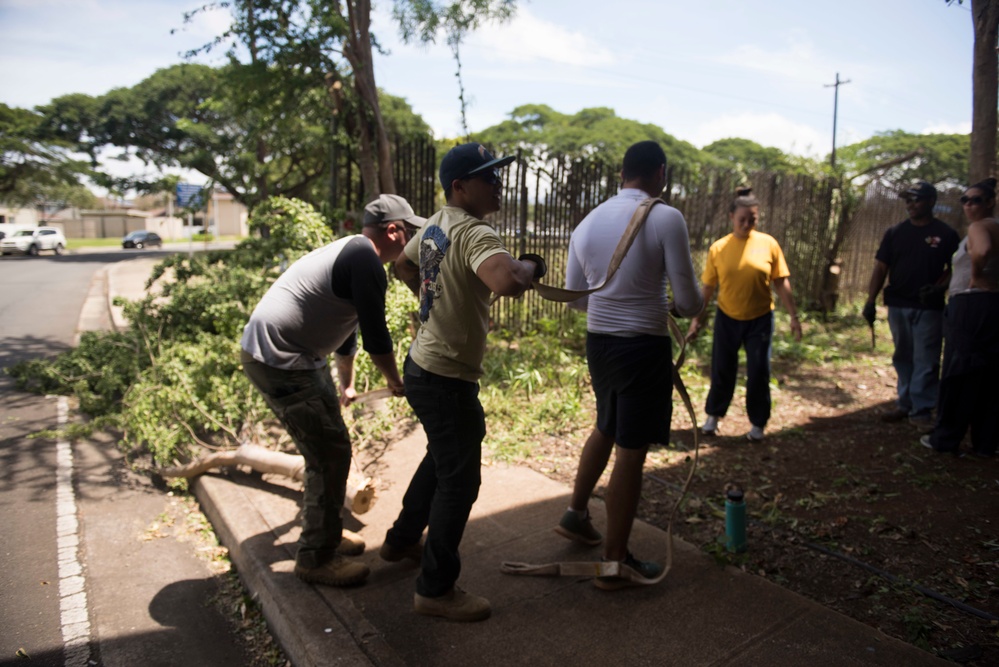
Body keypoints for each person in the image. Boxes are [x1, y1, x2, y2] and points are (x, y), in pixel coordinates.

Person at [384, 143, 542, 622]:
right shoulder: (475, 232)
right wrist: (532, 265)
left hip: (423, 367)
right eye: (488, 177)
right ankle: (435, 588)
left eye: (498, 175)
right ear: (460, 186)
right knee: (460, 480)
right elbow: (508, 282)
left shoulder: (435, 224)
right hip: (446, 377)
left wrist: (429, 303)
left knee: (442, 455)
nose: (498, 184)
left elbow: (403, 265)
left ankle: (400, 542)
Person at [240, 194, 425, 587]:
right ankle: (315, 559)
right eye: (409, 233)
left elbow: (347, 331)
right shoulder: (365, 260)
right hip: (280, 360)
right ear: (393, 231)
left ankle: (324, 531)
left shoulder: (353, 254)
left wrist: (347, 382)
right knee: (329, 453)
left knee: (328, 448)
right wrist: (395, 381)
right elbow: (377, 336)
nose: (411, 244)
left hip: (297, 356)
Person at [555, 140, 703, 590]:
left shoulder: (587, 222)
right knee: (632, 451)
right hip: (642, 347)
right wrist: (665, 304)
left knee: (607, 425)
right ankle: (614, 562)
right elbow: (689, 300)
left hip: (599, 344)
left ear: (623, 174)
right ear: (660, 172)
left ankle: (576, 514)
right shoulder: (665, 217)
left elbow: (577, 300)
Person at [686, 187, 802, 442]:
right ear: (731, 217)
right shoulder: (719, 248)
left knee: (759, 371)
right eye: (742, 219)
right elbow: (707, 288)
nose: (747, 224)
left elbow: (781, 282)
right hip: (727, 318)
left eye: (753, 219)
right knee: (722, 369)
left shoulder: (768, 244)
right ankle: (713, 417)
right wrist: (697, 320)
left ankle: (758, 423)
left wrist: (794, 317)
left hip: (760, 319)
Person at [862, 181, 960, 429]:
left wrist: (940, 287)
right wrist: (870, 300)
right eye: (908, 200)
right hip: (898, 304)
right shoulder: (895, 233)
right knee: (903, 355)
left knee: (926, 358)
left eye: (916, 199)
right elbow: (881, 267)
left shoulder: (946, 234)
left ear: (930, 201)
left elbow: (956, 267)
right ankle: (904, 403)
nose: (910, 204)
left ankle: (922, 408)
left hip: (929, 306)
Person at [921, 178, 999, 457]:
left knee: (958, 372)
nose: (968, 205)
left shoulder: (979, 227)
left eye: (975, 199)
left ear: (990, 202)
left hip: (970, 306)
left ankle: (945, 438)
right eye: (964, 200)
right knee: (988, 374)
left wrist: (976, 278)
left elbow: (982, 250)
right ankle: (986, 442)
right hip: (992, 307)